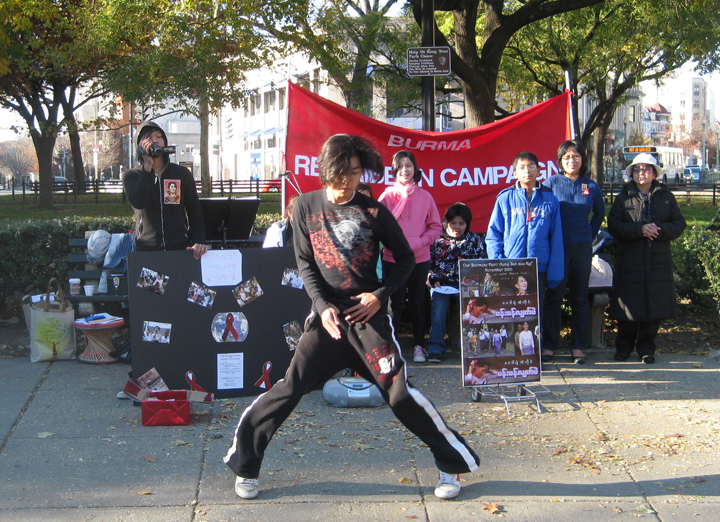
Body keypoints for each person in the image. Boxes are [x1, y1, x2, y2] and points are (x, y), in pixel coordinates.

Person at [224, 134, 479, 501]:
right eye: (343, 173)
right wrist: (320, 305)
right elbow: (305, 264)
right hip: (327, 320)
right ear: (328, 170)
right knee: (290, 387)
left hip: (368, 319)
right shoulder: (305, 206)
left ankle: (452, 464)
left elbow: (406, 259)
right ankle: (245, 465)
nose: (350, 181)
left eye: (357, 173)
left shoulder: (373, 210)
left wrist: (379, 296)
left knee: (399, 393)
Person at [607, 153, 686, 364]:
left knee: (654, 307)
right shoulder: (623, 198)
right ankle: (623, 348)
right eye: (637, 169)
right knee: (628, 308)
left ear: (654, 173)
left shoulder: (666, 197)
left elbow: (679, 224)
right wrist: (639, 229)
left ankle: (647, 349)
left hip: (658, 261)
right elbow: (614, 225)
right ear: (631, 173)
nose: (641, 173)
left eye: (646, 169)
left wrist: (658, 230)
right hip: (630, 261)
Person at [485, 151, 564, 348]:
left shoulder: (550, 199)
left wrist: (555, 270)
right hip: (511, 266)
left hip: (539, 267)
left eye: (531, 167)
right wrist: (498, 262)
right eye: (521, 167)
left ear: (539, 171)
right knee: (511, 311)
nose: (527, 171)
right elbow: (494, 234)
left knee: (537, 310)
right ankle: (512, 353)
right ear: (514, 173)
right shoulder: (505, 198)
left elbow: (556, 237)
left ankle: (536, 353)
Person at [542, 141, 605, 364]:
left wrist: (590, 234)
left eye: (576, 156)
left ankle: (578, 347)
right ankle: (549, 346)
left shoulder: (591, 186)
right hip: (557, 250)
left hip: (582, 249)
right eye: (567, 157)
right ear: (560, 160)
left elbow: (599, 213)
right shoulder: (550, 184)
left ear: (583, 159)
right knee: (554, 298)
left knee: (580, 298)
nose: (572, 160)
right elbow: (543, 213)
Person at [379, 151, 442, 363]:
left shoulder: (426, 197)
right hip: (393, 258)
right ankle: (393, 347)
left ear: (415, 168)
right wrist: (394, 245)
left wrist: (418, 242)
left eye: (408, 165)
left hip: (419, 258)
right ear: (394, 170)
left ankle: (418, 346)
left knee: (417, 302)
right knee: (394, 304)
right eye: (400, 166)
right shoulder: (387, 196)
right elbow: (378, 226)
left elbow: (436, 227)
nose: (404, 170)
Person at [122, 121, 207, 259]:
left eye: (159, 137)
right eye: (148, 138)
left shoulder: (181, 174)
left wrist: (198, 241)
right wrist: (147, 168)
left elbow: (194, 211)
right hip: (147, 250)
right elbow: (138, 202)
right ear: (139, 144)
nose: (155, 140)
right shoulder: (131, 176)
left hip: (180, 248)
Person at [426, 202, 487, 362]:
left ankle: (469, 347)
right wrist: (432, 278)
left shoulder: (475, 240)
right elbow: (427, 265)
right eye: (453, 223)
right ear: (446, 222)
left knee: (473, 307)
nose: (457, 227)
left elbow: (482, 265)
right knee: (439, 307)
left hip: (468, 285)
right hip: (442, 285)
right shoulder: (435, 239)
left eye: (461, 223)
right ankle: (435, 348)